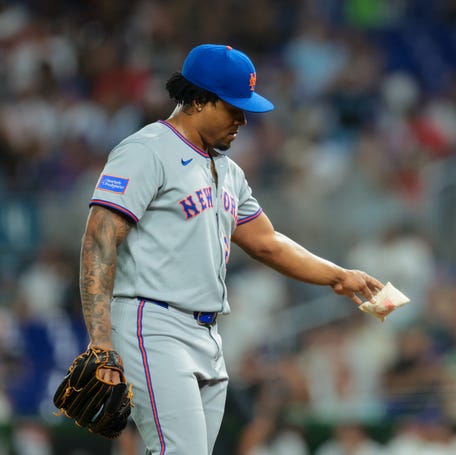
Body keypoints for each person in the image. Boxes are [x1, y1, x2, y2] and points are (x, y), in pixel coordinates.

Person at [79, 44, 384, 455]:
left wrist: (337, 275)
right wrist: (100, 341)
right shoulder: (146, 150)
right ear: (199, 99)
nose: (243, 119)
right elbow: (98, 240)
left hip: (207, 333)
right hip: (151, 323)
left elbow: (267, 242)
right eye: (233, 107)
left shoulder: (228, 170)